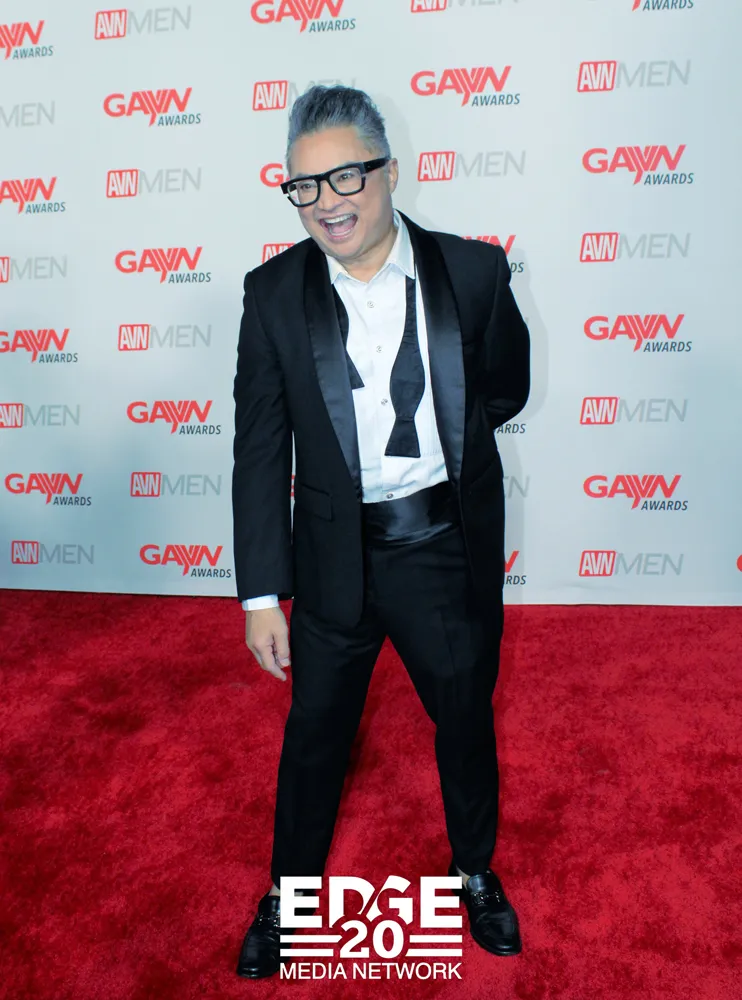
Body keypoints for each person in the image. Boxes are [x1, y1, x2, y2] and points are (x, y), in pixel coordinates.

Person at [232, 85, 530, 979]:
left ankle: (474, 870)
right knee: (314, 735)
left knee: (465, 720)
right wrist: (260, 594)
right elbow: (260, 450)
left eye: (346, 176)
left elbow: (503, 388)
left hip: (441, 549)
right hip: (332, 561)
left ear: (390, 172)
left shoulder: (472, 274)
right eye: (304, 186)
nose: (326, 202)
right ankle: (288, 891)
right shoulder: (272, 295)